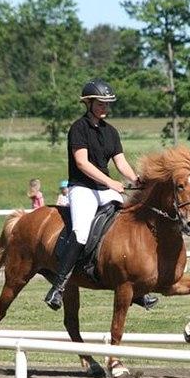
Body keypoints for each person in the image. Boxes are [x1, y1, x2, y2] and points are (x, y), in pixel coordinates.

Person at [44, 78, 158, 311]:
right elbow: (82, 163)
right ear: (89, 103)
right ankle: (58, 286)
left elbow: (121, 162)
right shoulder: (79, 128)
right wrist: (110, 182)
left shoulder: (111, 132)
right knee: (82, 232)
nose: (104, 108)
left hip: (105, 190)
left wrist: (135, 180)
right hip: (83, 189)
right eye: (100, 104)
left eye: (107, 104)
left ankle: (133, 287)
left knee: (126, 223)